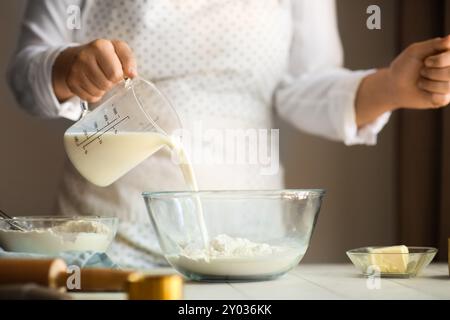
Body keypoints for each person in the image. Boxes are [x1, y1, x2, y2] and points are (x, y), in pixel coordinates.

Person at [8, 0, 450, 268]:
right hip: (109, 236)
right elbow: (26, 72)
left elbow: (304, 85)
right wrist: (68, 66)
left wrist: (391, 87)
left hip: (248, 242)